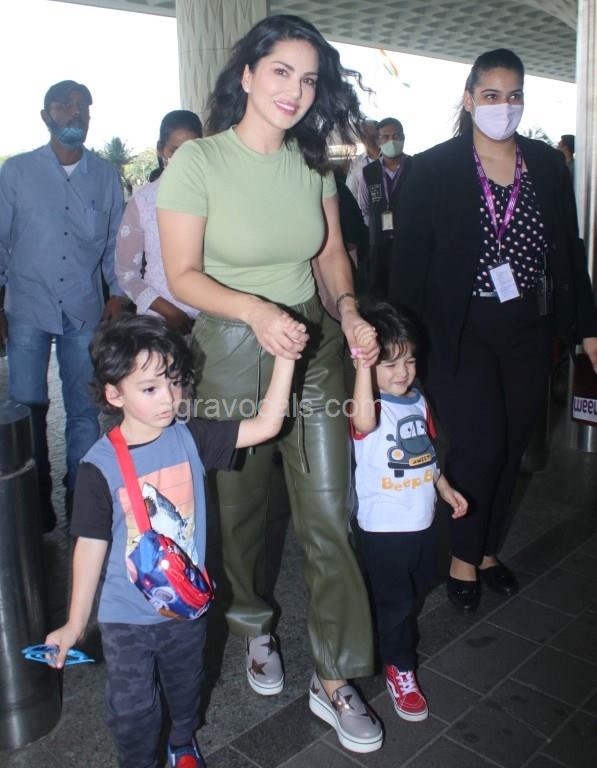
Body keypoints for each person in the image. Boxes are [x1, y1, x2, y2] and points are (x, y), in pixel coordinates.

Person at [157, 14, 384, 754]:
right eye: (281, 71)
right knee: (243, 512)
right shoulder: (198, 162)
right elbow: (182, 275)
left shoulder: (313, 163)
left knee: (329, 512)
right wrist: (256, 311)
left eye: (309, 79)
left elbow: (330, 255)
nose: (295, 90)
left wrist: (348, 311)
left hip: (312, 349)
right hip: (231, 350)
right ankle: (253, 622)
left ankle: (334, 677)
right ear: (248, 74)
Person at [390, 49, 597, 612]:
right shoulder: (433, 169)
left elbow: (569, 250)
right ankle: (461, 556)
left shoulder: (546, 165)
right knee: (481, 443)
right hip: (460, 329)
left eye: (513, 96)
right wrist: (399, 343)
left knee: (511, 447)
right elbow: (409, 264)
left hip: (529, 326)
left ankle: (484, 551)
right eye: (490, 95)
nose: (503, 106)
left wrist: (587, 327)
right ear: (468, 99)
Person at [45, 313, 300, 768]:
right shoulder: (98, 467)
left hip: (185, 607)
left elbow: (266, 426)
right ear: (114, 394)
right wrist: (75, 622)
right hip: (125, 615)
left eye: (174, 382)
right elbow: (90, 545)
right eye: (149, 388)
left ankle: (182, 739)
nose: (168, 398)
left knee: (186, 686)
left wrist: (285, 358)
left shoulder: (191, 437)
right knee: (132, 709)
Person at [0, 80, 125, 532]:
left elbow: (115, 244)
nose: (75, 113)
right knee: (28, 408)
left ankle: (80, 500)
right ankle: (35, 502)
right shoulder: (17, 172)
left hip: (82, 309)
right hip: (28, 306)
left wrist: (117, 294)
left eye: (82, 107)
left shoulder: (105, 176)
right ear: (45, 116)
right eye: (64, 106)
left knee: (84, 410)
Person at [350, 302, 467, 721]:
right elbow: (364, 423)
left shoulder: (418, 400)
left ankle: (382, 635)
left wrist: (444, 487)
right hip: (383, 530)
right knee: (397, 602)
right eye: (390, 364)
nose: (403, 372)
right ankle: (399, 667)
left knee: (414, 589)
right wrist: (363, 367)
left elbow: (426, 455)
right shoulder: (368, 405)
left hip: (421, 522)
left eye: (410, 360)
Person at [116, 110, 203, 335]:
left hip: (212, 319)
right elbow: (127, 274)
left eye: (191, 149)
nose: (183, 158)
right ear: (161, 149)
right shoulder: (143, 202)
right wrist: (169, 312)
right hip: (159, 322)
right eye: (175, 150)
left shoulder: (215, 196)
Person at [357, 117, 412, 299]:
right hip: (378, 245)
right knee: (380, 292)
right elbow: (364, 207)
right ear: (378, 141)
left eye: (396, 136)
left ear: (403, 138)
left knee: (408, 289)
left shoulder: (417, 167)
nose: (391, 141)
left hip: (409, 241)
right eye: (386, 137)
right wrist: (377, 227)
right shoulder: (368, 171)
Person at [345, 118, 380, 199]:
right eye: (363, 133)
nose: (367, 137)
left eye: (369, 133)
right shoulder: (356, 163)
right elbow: (351, 193)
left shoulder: (390, 158)